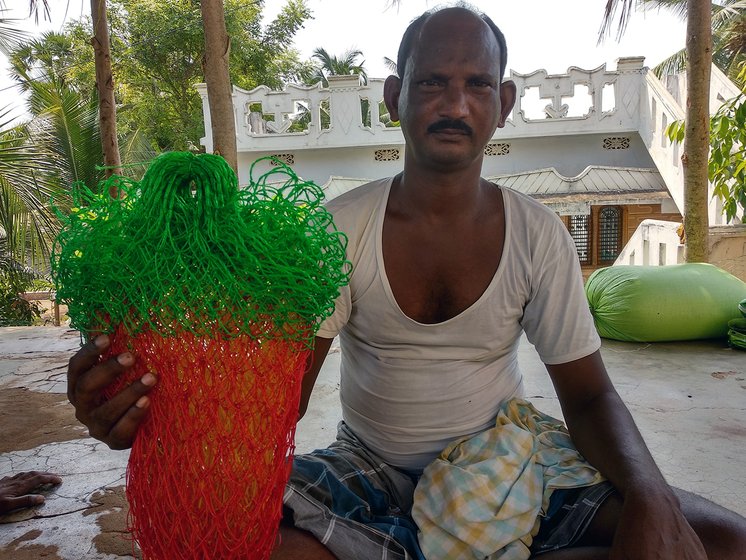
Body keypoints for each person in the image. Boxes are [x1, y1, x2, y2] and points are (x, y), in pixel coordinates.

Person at [67, 4, 746, 559]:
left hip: (506, 458)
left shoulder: (538, 232)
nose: (455, 102)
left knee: (717, 540)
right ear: (396, 97)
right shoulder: (340, 229)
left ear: (503, 102)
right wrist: (146, 405)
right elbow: (278, 399)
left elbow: (591, 397)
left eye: (477, 84)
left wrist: (652, 493)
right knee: (237, 546)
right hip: (367, 467)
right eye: (432, 82)